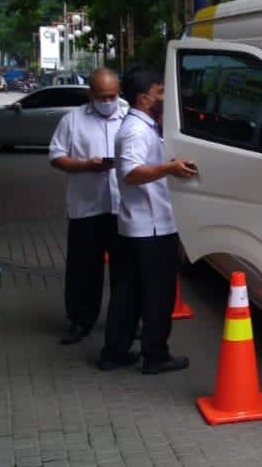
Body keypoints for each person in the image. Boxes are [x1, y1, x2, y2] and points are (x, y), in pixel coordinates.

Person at [99, 64, 197, 373]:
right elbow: (130, 173)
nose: (165, 98)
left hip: (137, 227)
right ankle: (155, 356)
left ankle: (114, 352)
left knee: (128, 294)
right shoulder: (135, 131)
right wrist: (169, 169)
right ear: (144, 98)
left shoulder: (143, 127)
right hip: (150, 230)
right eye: (160, 93)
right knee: (157, 295)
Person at [49, 68, 126, 345]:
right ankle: (81, 320)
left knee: (125, 269)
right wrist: (84, 165)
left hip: (122, 208)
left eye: (113, 96)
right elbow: (56, 156)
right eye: (102, 96)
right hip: (86, 207)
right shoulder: (73, 120)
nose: (108, 101)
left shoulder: (129, 116)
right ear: (90, 94)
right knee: (84, 268)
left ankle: (126, 321)